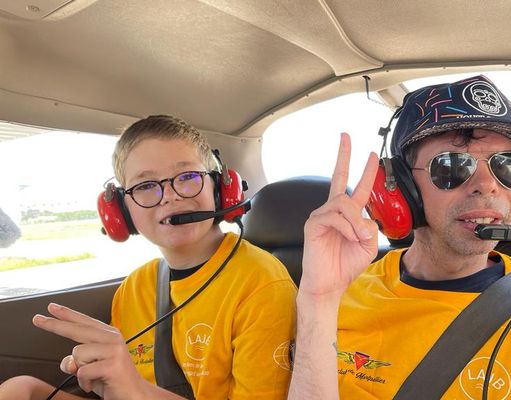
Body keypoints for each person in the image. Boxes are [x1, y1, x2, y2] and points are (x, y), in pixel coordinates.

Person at [288, 75, 511, 399]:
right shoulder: (337, 293)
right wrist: (318, 302)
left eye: (509, 165)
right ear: (401, 190)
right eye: (452, 165)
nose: (488, 185)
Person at [0, 115, 297, 399]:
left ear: (221, 188)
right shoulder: (134, 287)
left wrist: (135, 390)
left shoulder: (262, 283)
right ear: (120, 211)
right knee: (20, 389)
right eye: (145, 186)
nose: (170, 195)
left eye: (188, 176)